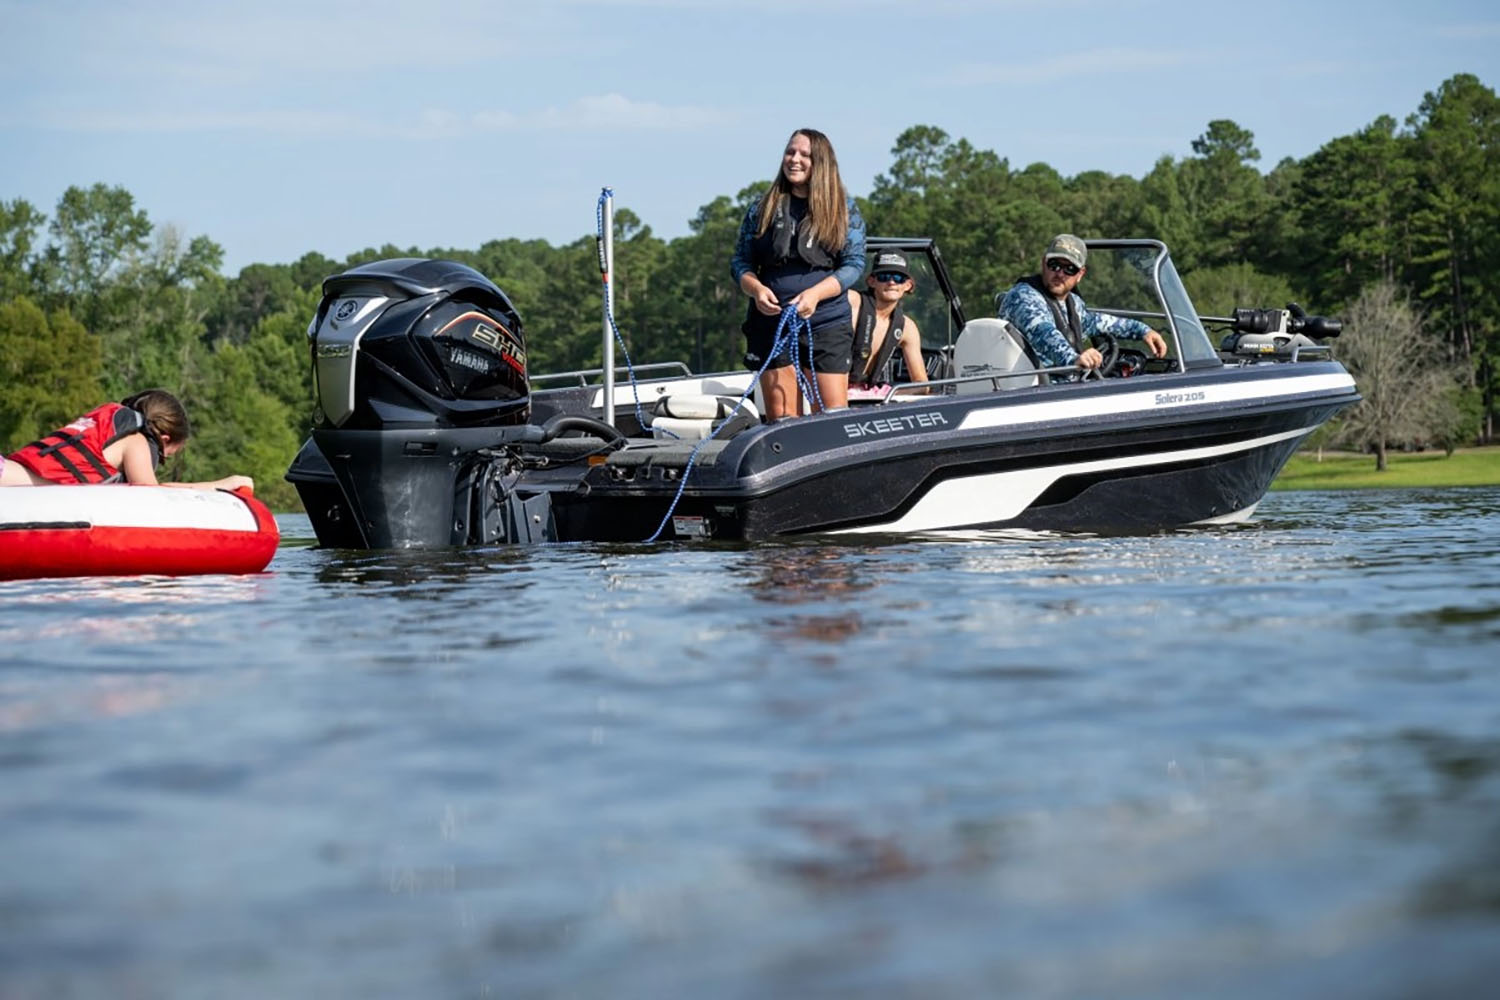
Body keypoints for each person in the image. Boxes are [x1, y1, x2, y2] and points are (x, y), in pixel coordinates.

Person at [730, 128, 866, 419]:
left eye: (804, 154)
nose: (794, 159)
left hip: (826, 323)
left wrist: (816, 294)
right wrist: (755, 289)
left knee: (830, 419)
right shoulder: (761, 208)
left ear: (821, 162)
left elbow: (854, 264)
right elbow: (740, 263)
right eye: (790, 152)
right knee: (783, 420)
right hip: (772, 324)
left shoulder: (844, 209)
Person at [1, 389, 254, 490]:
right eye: (177, 450)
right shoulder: (136, 442)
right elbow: (151, 493)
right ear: (165, 438)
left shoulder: (110, 428)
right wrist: (221, 484)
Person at [997, 233, 1168, 379]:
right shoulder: (1023, 297)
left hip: (1064, 386)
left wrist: (1142, 330)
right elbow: (1043, 332)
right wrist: (1074, 358)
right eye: (1054, 265)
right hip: (1034, 390)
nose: (1060, 274)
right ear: (1044, 264)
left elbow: (1095, 321)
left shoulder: (1072, 303)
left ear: (1080, 274)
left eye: (1069, 269)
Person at [846, 249, 929, 394]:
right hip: (830, 388)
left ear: (908, 285)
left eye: (898, 278)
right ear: (871, 281)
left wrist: (887, 396)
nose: (891, 282)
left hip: (871, 395)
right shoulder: (851, 302)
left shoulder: (907, 327)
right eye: (884, 276)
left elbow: (922, 385)